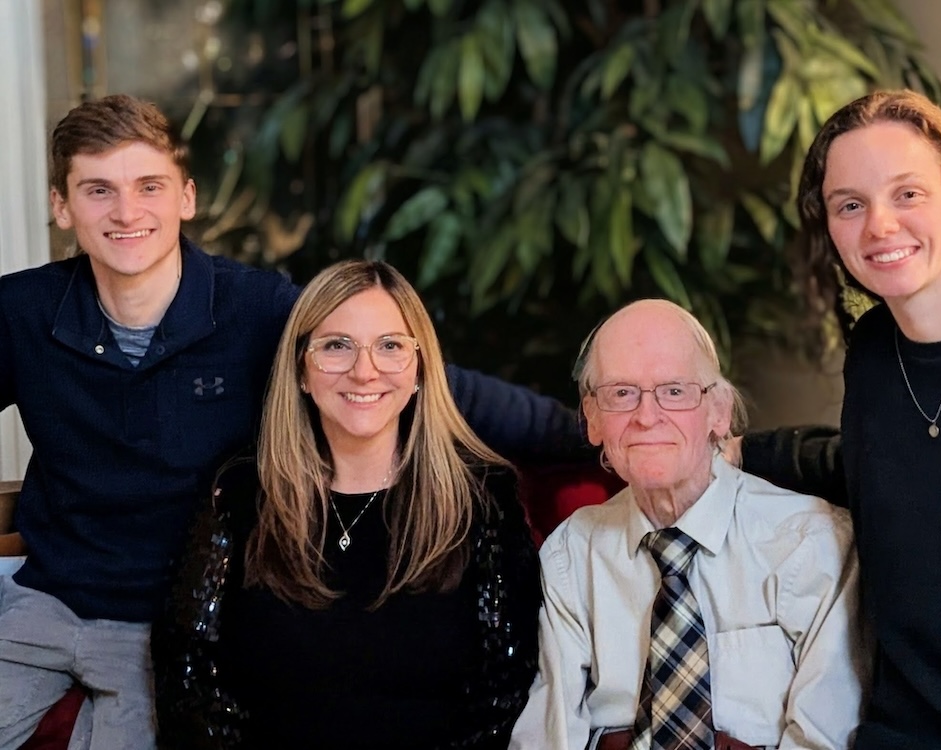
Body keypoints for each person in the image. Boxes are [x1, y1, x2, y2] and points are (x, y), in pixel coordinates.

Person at [0, 94, 578, 749]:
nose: (127, 212)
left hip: (160, 619)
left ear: (187, 197)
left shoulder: (259, 310)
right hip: (42, 598)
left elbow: (430, 385)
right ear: (61, 206)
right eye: (98, 190)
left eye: (149, 186)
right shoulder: (22, 310)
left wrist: (595, 430)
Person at [153, 259, 540, 749]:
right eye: (337, 346)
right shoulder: (238, 489)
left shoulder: (481, 497)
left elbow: (506, 686)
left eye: (390, 346)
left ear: (419, 369)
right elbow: (187, 669)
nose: (364, 371)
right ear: (301, 370)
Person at [743, 89, 941, 749]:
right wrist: (734, 451)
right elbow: (882, 467)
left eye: (907, 194)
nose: (880, 226)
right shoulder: (875, 354)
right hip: (897, 731)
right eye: (850, 205)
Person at [508, 299, 869, 750]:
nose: (646, 416)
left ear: (719, 411)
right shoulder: (571, 553)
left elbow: (824, 739)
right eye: (621, 393)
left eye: (674, 391)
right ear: (593, 419)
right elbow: (550, 735)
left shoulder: (812, 544)